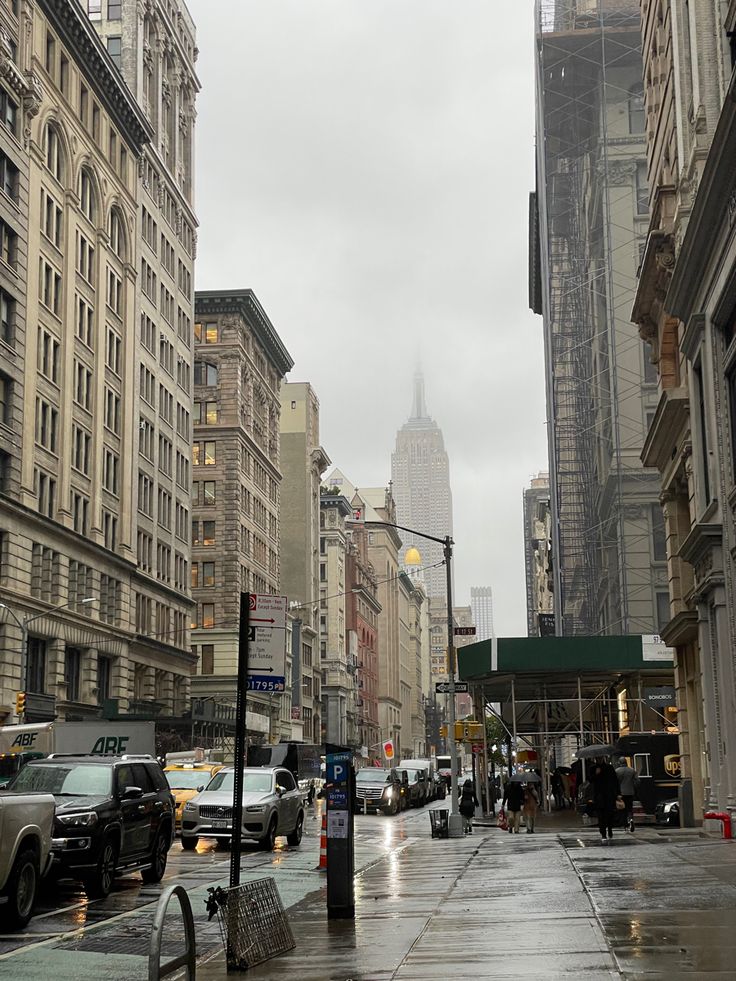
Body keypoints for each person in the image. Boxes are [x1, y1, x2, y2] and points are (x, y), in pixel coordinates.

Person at [590, 760, 619, 844]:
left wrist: (617, 793)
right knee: (600, 815)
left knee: (609, 814)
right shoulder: (593, 768)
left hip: (609, 795)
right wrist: (596, 774)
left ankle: (609, 829)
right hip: (599, 796)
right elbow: (590, 780)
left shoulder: (609, 767)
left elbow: (614, 781)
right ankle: (603, 833)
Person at [615, 757, 638, 832]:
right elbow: (637, 781)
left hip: (621, 793)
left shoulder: (617, 771)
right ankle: (631, 819)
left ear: (620, 762)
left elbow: (615, 783)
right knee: (629, 808)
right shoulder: (632, 770)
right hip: (630, 792)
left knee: (622, 809)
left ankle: (625, 825)